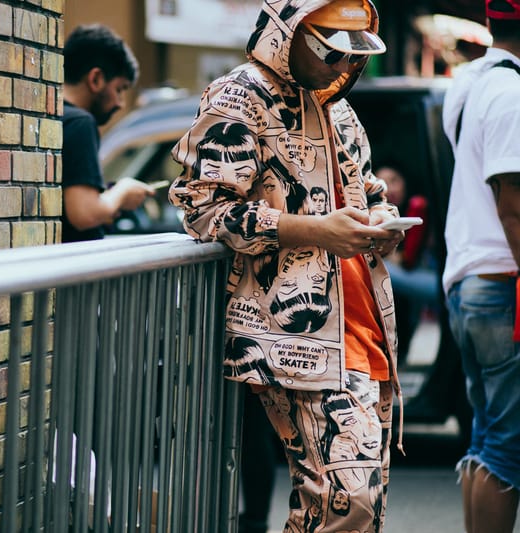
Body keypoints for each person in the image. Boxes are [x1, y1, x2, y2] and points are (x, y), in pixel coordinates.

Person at [168, 1, 407, 531]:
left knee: (345, 510)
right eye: (329, 50)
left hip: (365, 326)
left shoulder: (338, 106)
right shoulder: (240, 95)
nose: (342, 66)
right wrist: (317, 231)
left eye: (353, 52)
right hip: (291, 333)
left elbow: (364, 192)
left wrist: (380, 223)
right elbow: (204, 210)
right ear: (288, 31)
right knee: (349, 503)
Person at [440, 2, 520, 531]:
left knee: (486, 436)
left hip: (467, 280)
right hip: (500, 281)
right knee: (508, 448)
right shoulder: (511, 93)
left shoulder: (470, 82)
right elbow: (511, 199)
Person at [61, 24, 154, 243]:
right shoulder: (80, 123)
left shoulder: (53, 116)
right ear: (96, 79)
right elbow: (85, 213)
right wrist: (122, 193)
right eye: (120, 89)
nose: (121, 103)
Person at [375, 164, 439, 365]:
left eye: (394, 181)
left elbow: (407, 262)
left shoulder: (420, 208)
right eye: (382, 183)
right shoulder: (374, 215)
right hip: (414, 282)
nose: (389, 188)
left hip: (433, 280)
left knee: (382, 272)